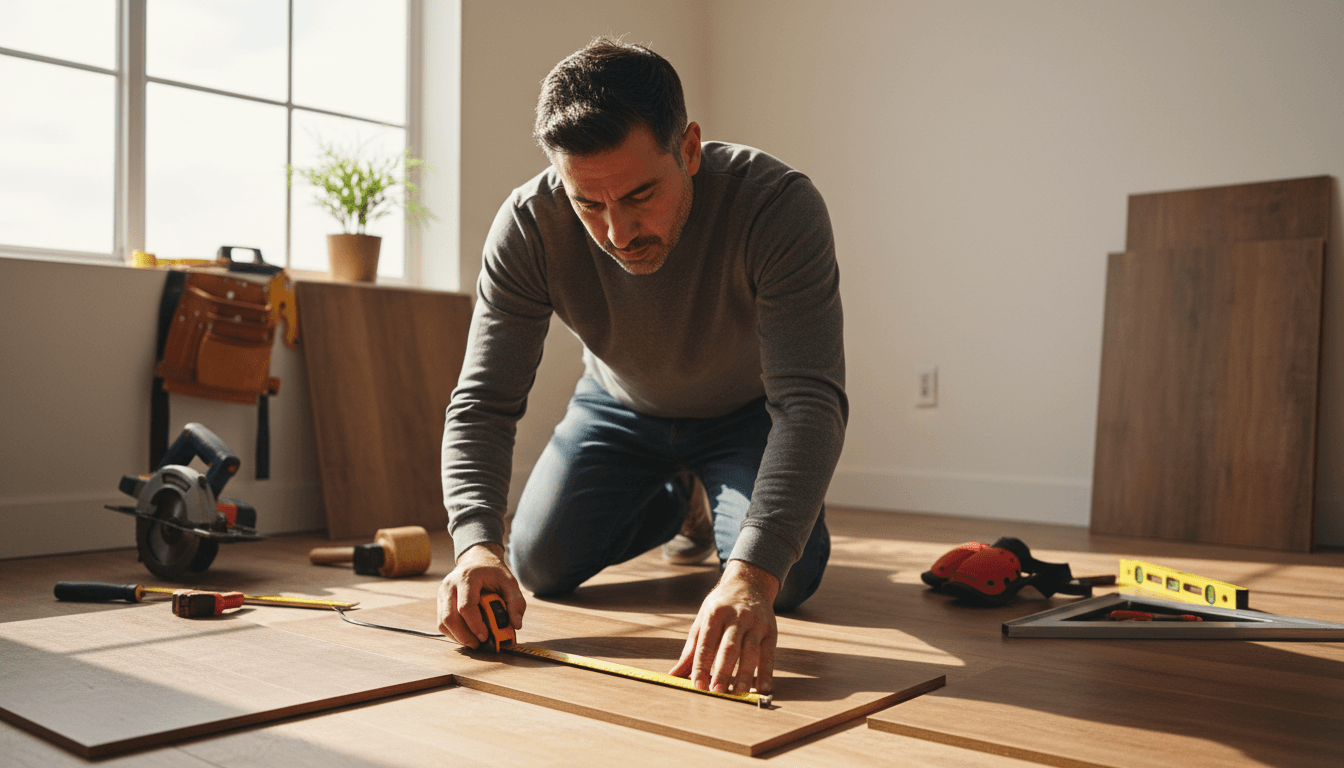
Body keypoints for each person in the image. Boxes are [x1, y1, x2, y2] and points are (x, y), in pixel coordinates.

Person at [436, 37, 846, 698]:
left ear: (688, 149)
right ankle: (686, 503)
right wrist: (475, 546)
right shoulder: (528, 226)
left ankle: (724, 506)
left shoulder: (778, 206)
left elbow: (809, 403)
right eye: (589, 205)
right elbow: (484, 401)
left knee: (784, 581)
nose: (618, 234)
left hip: (747, 416)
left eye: (640, 195)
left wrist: (750, 577)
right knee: (537, 563)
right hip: (616, 408)